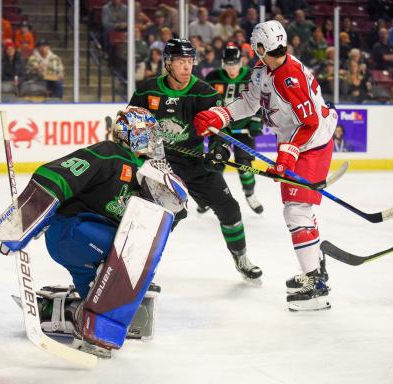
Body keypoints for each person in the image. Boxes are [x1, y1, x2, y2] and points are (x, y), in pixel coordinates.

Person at [0, 107, 188, 357]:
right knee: (130, 258)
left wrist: (172, 198)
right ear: (132, 133)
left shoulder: (148, 171)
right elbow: (54, 174)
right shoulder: (109, 154)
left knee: (104, 299)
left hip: (89, 246)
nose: (154, 139)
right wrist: (20, 224)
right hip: (72, 232)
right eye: (148, 132)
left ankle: (71, 313)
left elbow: (167, 220)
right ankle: (93, 321)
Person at [194, 21, 338, 311]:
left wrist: (288, 154)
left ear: (259, 47)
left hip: (312, 145)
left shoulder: (290, 77)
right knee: (298, 209)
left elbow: (310, 124)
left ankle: (316, 286)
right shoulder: (262, 71)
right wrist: (220, 115)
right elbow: (248, 104)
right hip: (298, 145)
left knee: (296, 210)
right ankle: (316, 269)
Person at [129, 38, 263, 283]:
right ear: (167, 63)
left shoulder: (204, 93)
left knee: (229, 208)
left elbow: (219, 128)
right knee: (159, 217)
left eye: (190, 61)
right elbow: (132, 126)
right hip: (160, 164)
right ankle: (138, 266)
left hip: (193, 162)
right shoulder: (147, 91)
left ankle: (241, 258)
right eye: (181, 61)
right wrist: (139, 152)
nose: (187, 67)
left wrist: (219, 150)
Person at [204, 44, 264, 215]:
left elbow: (259, 101)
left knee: (244, 164)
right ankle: (209, 197)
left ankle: (250, 194)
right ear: (223, 63)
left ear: (241, 62)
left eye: (235, 65)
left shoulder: (251, 77)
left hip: (244, 127)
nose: (232, 69)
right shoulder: (212, 78)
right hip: (222, 127)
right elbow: (204, 101)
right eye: (229, 65)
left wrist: (255, 122)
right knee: (217, 161)